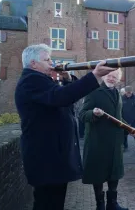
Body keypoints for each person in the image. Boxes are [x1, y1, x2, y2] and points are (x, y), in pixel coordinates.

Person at [14, 43, 116, 210]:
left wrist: (68, 80)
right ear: (33, 64)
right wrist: (94, 76)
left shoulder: (41, 81)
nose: (51, 63)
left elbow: (63, 103)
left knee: (54, 203)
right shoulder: (31, 81)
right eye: (47, 60)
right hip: (46, 159)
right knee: (48, 204)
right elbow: (61, 98)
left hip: (51, 158)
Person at [79, 69, 133, 210]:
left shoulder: (117, 94)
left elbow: (118, 117)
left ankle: (112, 204)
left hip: (115, 143)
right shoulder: (94, 92)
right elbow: (82, 114)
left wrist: (130, 129)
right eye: (109, 76)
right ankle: (100, 205)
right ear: (104, 76)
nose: (111, 79)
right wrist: (94, 113)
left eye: (115, 77)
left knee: (114, 173)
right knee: (98, 174)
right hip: (98, 142)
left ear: (118, 80)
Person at [122, 86, 135, 155]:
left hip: (134, 121)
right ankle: (125, 146)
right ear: (125, 92)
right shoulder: (122, 98)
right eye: (127, 93)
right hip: (124, 121)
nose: (128, 94)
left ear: (132, 92)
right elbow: (119, 109)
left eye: (130, 93)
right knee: (124, 135)